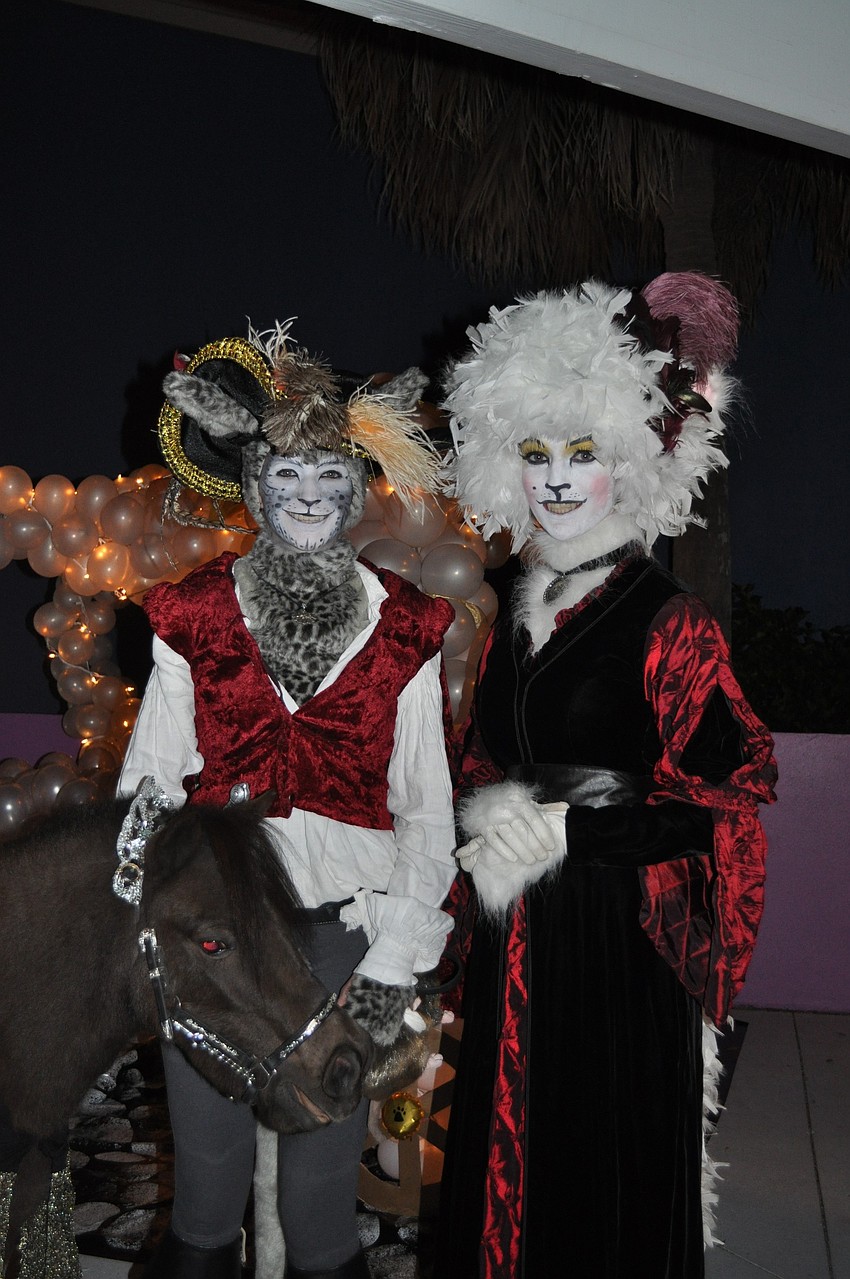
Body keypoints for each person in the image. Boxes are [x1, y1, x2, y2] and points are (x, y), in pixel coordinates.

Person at [435, 276, 777, 1279]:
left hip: (618, 947)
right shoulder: (515, 602)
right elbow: (488, 750)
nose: (552, 478)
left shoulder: (669, 620)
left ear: (627, 463)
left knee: (598, 1162)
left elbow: (730, 788)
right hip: (518, 932)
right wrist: (483, 819)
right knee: (506, 1151)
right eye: (533, 454)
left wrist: (574, 832)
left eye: (580, 455)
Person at [118, 326, 458, 1279]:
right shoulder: (195, 613)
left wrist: (395, 957)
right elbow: (149, 777)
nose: (306, 498)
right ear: (254, 486)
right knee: (208, 1187)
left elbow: (427, 806)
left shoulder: (406, 626)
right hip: (218, 928)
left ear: (355, 488)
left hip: (343, 933)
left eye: (327, 479)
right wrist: (149, 905)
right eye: (286, 478)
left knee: (318, 1194)